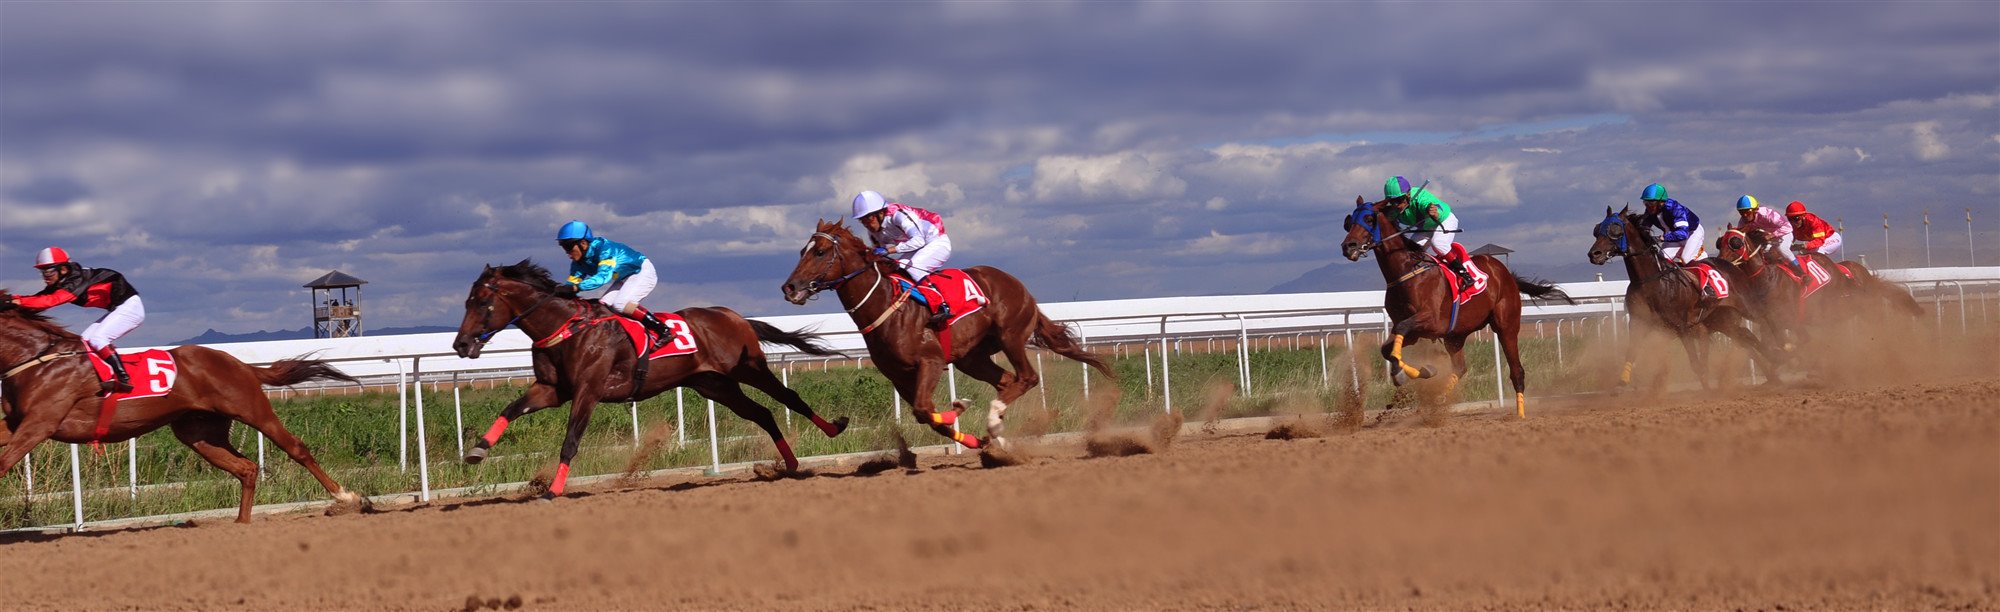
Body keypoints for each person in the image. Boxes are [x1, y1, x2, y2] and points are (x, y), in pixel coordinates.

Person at [9, 247, 142, 394]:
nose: (45, 276)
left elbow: (50, 301)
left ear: (63, 269)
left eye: (48, 271)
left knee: (98, 338)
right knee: (84, 341)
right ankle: (104, 376)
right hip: (119, 308)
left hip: (131, 307)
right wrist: (11, 299)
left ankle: (124, 379)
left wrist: (16, 302)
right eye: (42, 272)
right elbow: (38, 298)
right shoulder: (64, 280)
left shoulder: (75, 281)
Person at [851, 190, 954, 327]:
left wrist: (889, 250)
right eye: (862, 221)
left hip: (936, 242)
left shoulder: (898, 216)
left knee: (914, 268)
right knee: (899, 270)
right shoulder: (874, 232)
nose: (867, 224)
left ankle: (941, 305)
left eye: (869, 219)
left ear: (880, 213)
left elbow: (918, 241)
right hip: (917, 247)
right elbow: (880, 255)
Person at [554, 220, 672, 340]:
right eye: (564, 248)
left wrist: (576, 288)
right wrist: (562, 291)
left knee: (621, 304)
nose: (567, 253)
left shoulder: (604, 250)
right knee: (604, 306)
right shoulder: (578, 263)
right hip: (623, 278)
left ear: (583, 243)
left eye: (568, 247)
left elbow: (602, 277)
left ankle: (663, 329)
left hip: (641, 271)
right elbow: (572, 283)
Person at [1380, 176, 1469, 276]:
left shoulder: (1421, 197)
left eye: (1399, 200)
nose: (1396, 205)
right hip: (1426, 227)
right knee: (1410, 252)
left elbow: (1433, 205)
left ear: (1408, 195)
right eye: (1392, 201)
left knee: (1438, 244)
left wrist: (1435, 213)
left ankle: (1464, 273)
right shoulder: (1394, 210)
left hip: (1444, 220)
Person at [1734, 195, 1805, 275]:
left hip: (1784, 233)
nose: (1745, 215)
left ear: (1755, 210)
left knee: (1781, 248)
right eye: (1741, 212)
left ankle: (1801, 272)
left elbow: (1788, 227)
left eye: (1748, 212)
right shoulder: (1743, 222)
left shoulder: (1767, 214)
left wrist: (1772, 235)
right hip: (1768, 239)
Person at [1638, 183, 1705, 263]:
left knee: (1686, 258)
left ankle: (1705, 262)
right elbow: (1644, 227)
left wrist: (1662, 238)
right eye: (1645, 202)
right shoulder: (1650, 212)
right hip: (1673, 236)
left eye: (1651, 203)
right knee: (1660, 260)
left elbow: (1683, 234)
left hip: (1692, 233)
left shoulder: (1675, 209)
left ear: (1661, 202)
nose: (1647, 206)